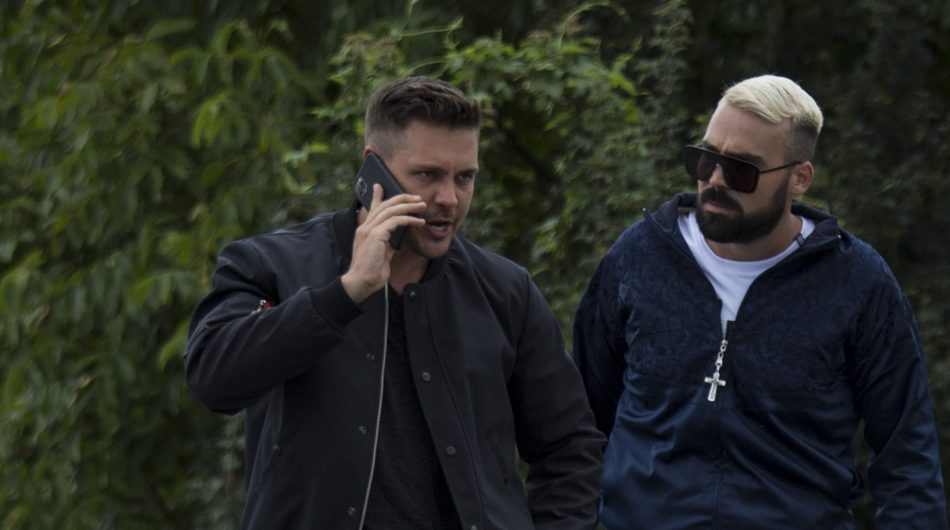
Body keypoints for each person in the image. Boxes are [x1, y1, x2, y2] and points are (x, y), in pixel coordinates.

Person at [184, 76, 604, 530]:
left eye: (464, 177)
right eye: (428, 175)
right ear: (373, 168)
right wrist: (346, 292)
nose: (449, 198)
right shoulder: (271, 264)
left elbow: (570, 446)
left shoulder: (505, 291)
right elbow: (213, 378)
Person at [572, 74, 947, 529]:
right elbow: (579, 425)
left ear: (799, 178)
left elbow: (908, 458)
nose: (715, 180)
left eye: (741, 170)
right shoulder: (638, 258)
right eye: (706, 158)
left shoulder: (857, 282)